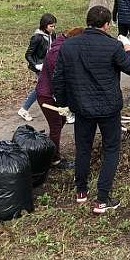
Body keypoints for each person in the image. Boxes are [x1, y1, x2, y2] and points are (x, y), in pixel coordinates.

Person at [52, 6, 130, 213]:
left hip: (82, 108)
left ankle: (81, 191)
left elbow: (58, 78)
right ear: (107, 25)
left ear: (88, 22)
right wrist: (128, 47)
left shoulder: (68, 45)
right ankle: (102, 199)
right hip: (109, 108)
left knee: (83, 148)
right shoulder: (113, 45)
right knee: (111, 149)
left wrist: (63, 104)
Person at [36, 27, 83, 170]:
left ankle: (50, 149)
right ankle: (54, 160)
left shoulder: (62, 47)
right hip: (47, 95)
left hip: (53, 94)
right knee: (56, 125)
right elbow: (59, 78)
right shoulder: (57, 52)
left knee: (61, 121)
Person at [18, 13, 57, 121]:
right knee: (43, 87)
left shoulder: (52, 34)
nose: (53, 28)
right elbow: (28, 54)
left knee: (46, 87)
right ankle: (24, 109)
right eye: (51, 26)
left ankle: (59, 111)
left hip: (49, 66)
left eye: (54, 26)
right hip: (40, 67)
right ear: (45, 25)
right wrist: (36, 65)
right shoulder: (37, 37)